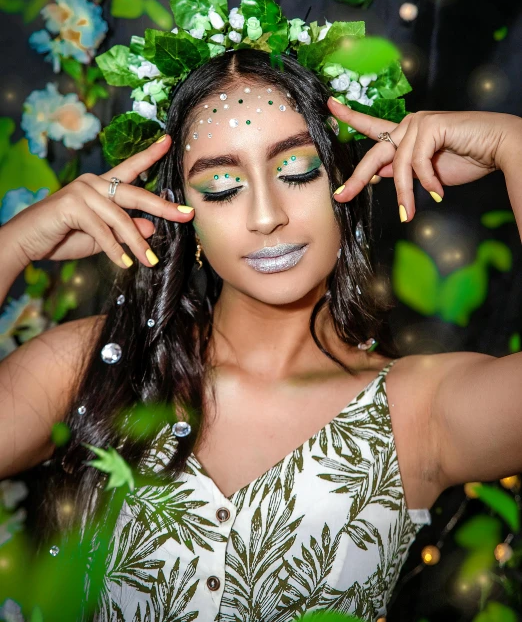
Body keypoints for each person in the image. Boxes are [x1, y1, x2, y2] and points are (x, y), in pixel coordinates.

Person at [1, 43, 522, 622]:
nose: (265, 214)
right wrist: (13, 245)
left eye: (297, 170)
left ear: (346, 178)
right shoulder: (96, 363)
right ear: (182, 209)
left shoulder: (420, 409)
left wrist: (511, 143)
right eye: (221, 186)